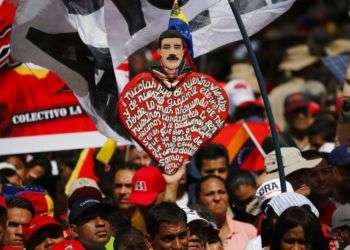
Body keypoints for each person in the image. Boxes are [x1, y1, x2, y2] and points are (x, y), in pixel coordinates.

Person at [196, 175, 257, 250]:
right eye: (210, 194)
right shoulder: (193, 237)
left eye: (221, 192)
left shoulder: (249, 231)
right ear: (198, 201)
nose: (217, 198)